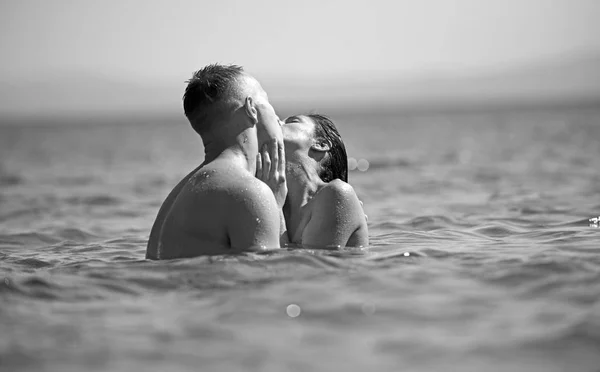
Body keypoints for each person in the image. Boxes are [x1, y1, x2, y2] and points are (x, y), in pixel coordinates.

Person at [146, 64, 287, 259]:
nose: (279, 119)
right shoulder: (249, 192)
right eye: (267, 101)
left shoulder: (178, 194)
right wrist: (275, 206)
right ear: (251, 109)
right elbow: (266, 279)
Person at [268, 114, 368, 248]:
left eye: (292, 121)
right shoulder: (270, 201)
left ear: (320, 144)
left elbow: (307, 266)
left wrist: (275, 207)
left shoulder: (336, 194)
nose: (276, 119)